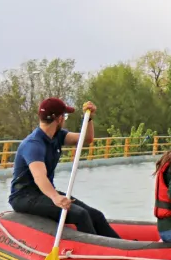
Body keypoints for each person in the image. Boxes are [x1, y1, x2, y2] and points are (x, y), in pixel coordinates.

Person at [8, 98, 120, 239]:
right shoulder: (33, 144)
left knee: (96, 215)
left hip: (44, 193)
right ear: (59, 118)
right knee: (80, 215)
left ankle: (122, 247)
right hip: (25, 197)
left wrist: (89, 119)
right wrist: (55, 197)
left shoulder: (58, 136)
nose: (64, 120)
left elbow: (86, 139)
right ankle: (91, 248)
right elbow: (39, 177)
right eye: (65, 116)